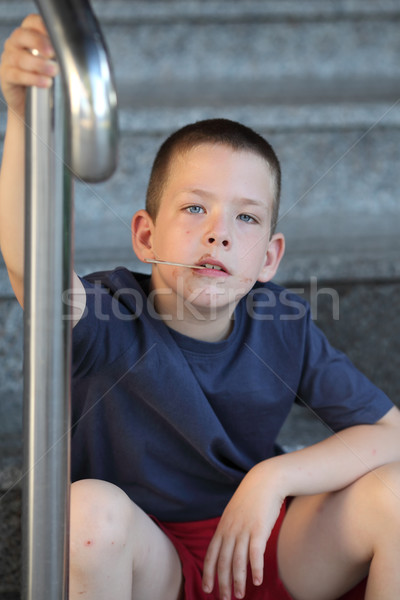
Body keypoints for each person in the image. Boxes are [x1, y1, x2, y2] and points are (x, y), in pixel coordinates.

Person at [1, 14, 400, 600]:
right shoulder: (107, 316)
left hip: (267, 545)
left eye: (246, 217)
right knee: (85, 512)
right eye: (194, 209)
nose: (219, 235)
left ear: (269, 257)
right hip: (147, 563)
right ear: (145, 236)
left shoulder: (280, 321)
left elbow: (390, 434)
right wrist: (22, 115)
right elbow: (29, 263)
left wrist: (274, 476)